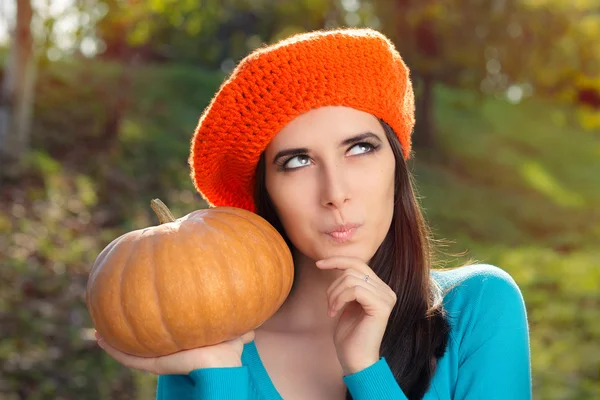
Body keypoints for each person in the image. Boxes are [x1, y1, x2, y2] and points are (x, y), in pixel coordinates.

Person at [95, 28, 532, 399]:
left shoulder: (477, 306)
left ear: (396, 165)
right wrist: (217, 371)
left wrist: (366, 369)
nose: (335, 193)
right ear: (265, 190)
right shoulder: (203, 346)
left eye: (360, 148)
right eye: (297, 161)